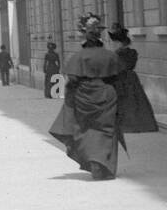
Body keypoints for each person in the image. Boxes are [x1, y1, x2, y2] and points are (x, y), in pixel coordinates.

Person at [49, 13, 124, 180]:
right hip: (107, 95)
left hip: (84, 96)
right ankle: (104, 165)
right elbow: (118, 77)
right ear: (99, 37)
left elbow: (73, 80)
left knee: (86, 130)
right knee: (107, 131)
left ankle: (93, 162)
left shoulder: (78, 57)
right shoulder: (111, 56)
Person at [107, 22, 158, 133]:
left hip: (123, 79)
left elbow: (122, 66)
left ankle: (129, 125)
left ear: (120, 42)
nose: (113, 44)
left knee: (127, 102)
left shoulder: (122, 54)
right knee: (131, 101)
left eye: (115, 42)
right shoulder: (128, 52)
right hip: (128, 78)